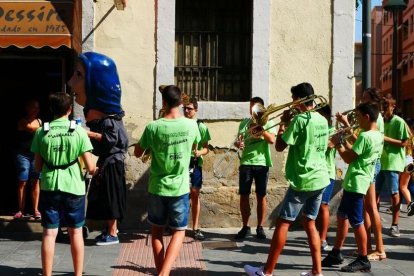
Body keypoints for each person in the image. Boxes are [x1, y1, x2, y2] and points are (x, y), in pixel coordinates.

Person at [244, 82, 329, 276]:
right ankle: (317, 271)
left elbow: (280, 145)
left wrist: (283, 123)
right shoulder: (322, 119)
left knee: (283, 223)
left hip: (303, 179)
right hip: (320, 178)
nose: (291, 103)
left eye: (293, 99)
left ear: (299, 99)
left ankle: (267, 271)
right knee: (309, 222)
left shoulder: (300, 120)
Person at [134, 85, 201, 275]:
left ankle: (161, 271)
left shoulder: (153, 127)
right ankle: (164, 273)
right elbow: (196, 144)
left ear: (163, 103)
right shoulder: (191, 125)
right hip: (180, 187)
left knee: (156, 231)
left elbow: (138, 152)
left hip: (157, 186)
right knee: (179, 231)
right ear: (181, 103)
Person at [31, 92, 95, 276]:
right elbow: (90, 166)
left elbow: (37, 166)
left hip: (49, 186)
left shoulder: (42, 131)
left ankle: (47, 274)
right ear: (69, 109)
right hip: (74, 186)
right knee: (76, 232)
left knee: (49, 233)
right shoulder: (78, 131)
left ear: (51, 110)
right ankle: (78, 274)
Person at [68, 52, 129, 246]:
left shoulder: (111, 120)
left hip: (112, 164)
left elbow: (111, 140)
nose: (71, 83)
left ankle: (112, 233)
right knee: (104, 197)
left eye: (78, 75)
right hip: (107, 163)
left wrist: (87, 133)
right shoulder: (106, 119)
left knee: (110, 198)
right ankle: (111, 230)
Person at [321, 103, 383, 272]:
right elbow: (357, 151)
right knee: (342, 216)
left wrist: (338, 144)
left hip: (357, 182)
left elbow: (348, 158)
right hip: (357, 181)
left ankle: (363, 258)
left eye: (358, 116)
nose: (357, 121)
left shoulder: (365, 136)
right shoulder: (378, 136)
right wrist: (345, 137)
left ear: (367, 117)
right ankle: (336, 252)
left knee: (357, 222)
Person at [336, 87, 386, 260]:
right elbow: (361, 145)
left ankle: (378, 249)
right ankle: (367, 247)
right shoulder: (372, 121)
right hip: (368, 163)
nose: (361, 101)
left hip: (366, 168)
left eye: (365, 99)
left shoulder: (375, 119)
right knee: (367, 209)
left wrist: (347, 127)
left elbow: (363, 143)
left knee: (370, 208)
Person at [234, 97, 276, 240]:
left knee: (261, 195)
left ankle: (260, 227)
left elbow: (272, 140)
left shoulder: (269, 122)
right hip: (246, 162)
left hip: (262, 163)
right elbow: (237, 140)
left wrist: (261, 130)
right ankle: (245, 227)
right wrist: (238, 144)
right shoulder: (244, 123)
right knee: (244, 195)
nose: (252, 110)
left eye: (255, 108)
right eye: (250, 107)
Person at [376, 98, 410, 237]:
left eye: (386, 106)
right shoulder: (380, 121)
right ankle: (375, 222)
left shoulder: (399, 122)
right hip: (379, 161)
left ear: (393, 107)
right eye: (382, 106)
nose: (384, 109)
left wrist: (385, 138)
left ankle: (395, 225)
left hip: (392, 162)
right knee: (375, 193)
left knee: (394, 193)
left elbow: (404, 143)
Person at [183, 97, 211, 240]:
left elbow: (206, 148)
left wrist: (199, 152)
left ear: (196, 110)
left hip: (195, 164)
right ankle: (176, 225)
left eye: (190, 108)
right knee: (179, 195)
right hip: (182, 163)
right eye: (185, 108)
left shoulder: (201, 126)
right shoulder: (180, 124)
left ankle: (195, 227)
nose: (187, 111)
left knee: (194, 193)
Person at [14, 99, 42, 219]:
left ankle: (36, 210)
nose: (36, 110)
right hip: (23, 154)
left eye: (37, 108)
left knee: (35, 181)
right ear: (27, 108)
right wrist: (48, 127)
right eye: (33, 107)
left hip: (35, 154)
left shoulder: (40, 121)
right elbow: (30, 129)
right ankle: (21, 210)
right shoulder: (22, 120)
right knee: (23, 181)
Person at [316, 104, 336, 252]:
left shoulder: (333, 131)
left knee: (323, 205)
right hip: (315, 172)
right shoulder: (316, 130)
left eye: (321, 115)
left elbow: (328, 145)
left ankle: (323, 238)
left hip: (328, 172)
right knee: (315, 207)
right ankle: (317, 235)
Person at [399, 118, 414, 216]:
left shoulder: (402, 135)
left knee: (399, 187)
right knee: (404, 187)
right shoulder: (412, 136)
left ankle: (409, 203)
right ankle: (409, 203)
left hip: (401, 161)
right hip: (410, 163)